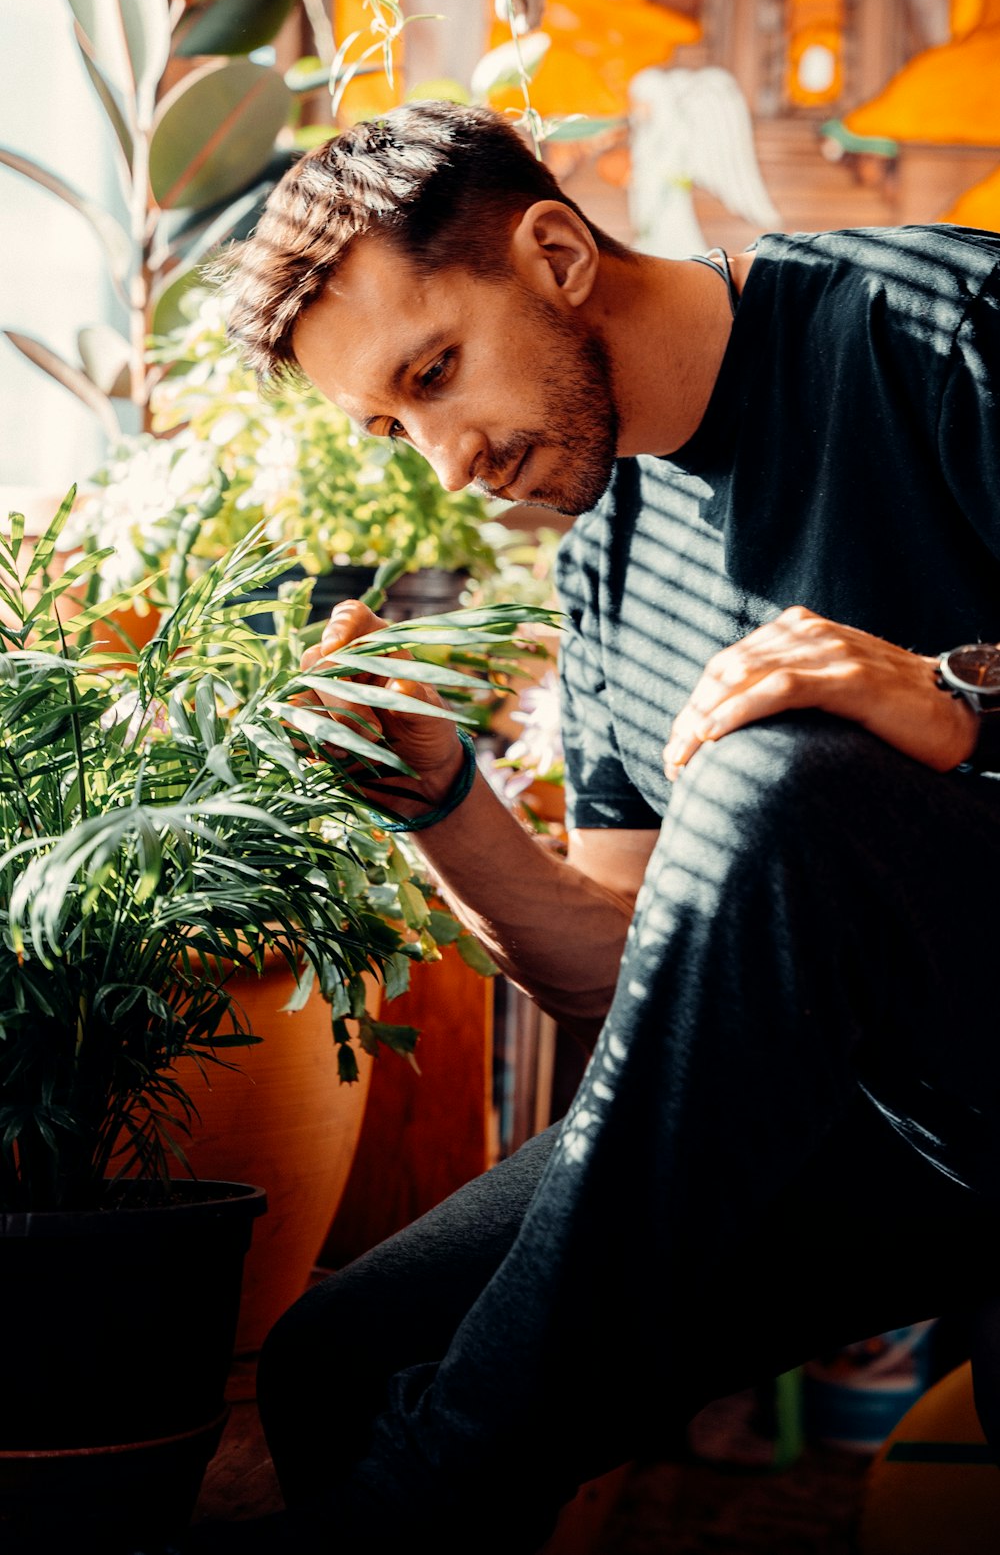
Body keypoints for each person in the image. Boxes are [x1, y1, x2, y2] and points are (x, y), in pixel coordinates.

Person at [187, 100, 1000, 1553]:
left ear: (556, 249)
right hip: (892, 1146)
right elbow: (654, 990)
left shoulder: (936, 322)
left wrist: (959, 698)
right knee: (332, 1360)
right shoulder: (611, 559)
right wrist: (439, 801)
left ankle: (426, 1501)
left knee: (776, 773)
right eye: (391, 424)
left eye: (435, 373)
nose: (442, 462)